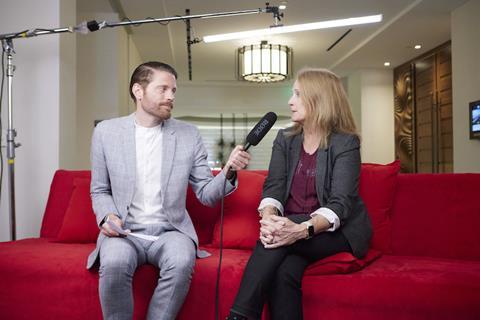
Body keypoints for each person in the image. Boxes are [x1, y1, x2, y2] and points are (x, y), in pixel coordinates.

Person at [86, 61, 250, 320]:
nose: (171, 96)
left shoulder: (188, 134)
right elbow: (99, 189)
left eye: (173, 90)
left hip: (171, 231)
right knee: (115, 262)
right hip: (124, 231)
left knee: (182, 261)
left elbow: (206, 194)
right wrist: (107, 217)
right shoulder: (106, 132)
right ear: (138, 91)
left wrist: (229, 169)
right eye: (163, 89)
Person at [227, 68, 372, 320]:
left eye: (297, 94)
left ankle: (238, 317)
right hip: (290, 229)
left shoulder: (345, 143)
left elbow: (340, 204)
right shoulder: (285, 139)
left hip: (335, 231)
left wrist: (300, 229)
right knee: (284, 272)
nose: (290, 101)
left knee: (273, 241)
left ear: (319, 99)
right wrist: (270, 218)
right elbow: (273, 187)